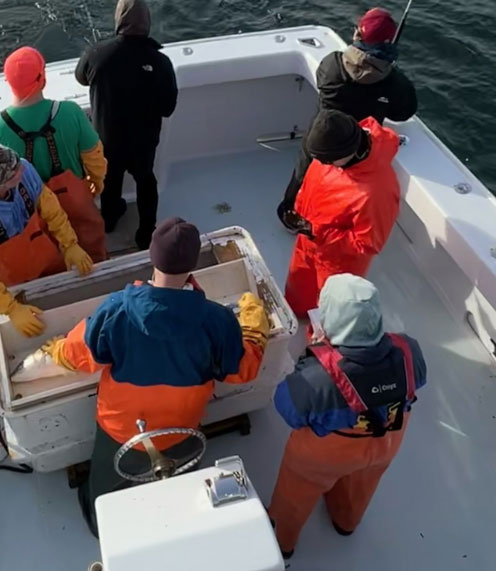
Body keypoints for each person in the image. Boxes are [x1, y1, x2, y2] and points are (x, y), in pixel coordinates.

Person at [39, 217, 270, 536]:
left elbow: (82, 356)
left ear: (151, 256)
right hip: (182, 430)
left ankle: (98, 523)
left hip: (121, 433)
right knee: (180, 470)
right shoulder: (217, 321)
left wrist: (57, 351)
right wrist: (253, 333)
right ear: (192, 266)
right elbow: (241, 371)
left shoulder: (117, 310)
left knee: (104, 485)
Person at [267, 274, 426, 558]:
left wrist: (312, 355)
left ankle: (282, 542)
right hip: (387, 443)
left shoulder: (317, 381)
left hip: (326, 456)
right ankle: (346, 521)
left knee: (297, 491)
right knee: (363, 482)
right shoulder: (409, 349)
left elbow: (288, 410)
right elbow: (417, 383)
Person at [277, 7, 417, 231]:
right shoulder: (396, 84)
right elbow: (402, 113)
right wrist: (388, 76)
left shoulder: (332, 64)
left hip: (322, 135)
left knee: (305, 173)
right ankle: (326, 225)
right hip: (358, 145)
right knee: (344, 190)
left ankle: (290, 213)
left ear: (357, 35)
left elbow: (324, 81)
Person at [0, 141, 94, 337]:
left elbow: (50, 207)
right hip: (12, 281)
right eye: (14, 173)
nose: (22, 169)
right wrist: (11, 308)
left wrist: (69, 244)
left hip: (43, 255)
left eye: (17, 163)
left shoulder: (23, 169)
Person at [0, 47, 108, 262]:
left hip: (29, 209)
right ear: (43, 78)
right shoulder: (70, 112)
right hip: (75, 198)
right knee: (89, 244)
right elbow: (94, 157)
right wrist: (96, 184)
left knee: (42, 251)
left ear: (8, 82)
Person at [75, 0, 178, 249]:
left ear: (119, 21)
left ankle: (109, 220)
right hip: (143, 142)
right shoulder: (161, 62)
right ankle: (145, 234)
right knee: (145, 180)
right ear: (147, 24)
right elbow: (168, 108)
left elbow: (81, 78)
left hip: (108, 139)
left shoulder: (96, 54)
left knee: (110, 181)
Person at [283, 109, 400, 318]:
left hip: (339, 263)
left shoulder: (377, 191)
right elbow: (311, 183)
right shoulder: (328, 154)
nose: (321, 163)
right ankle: (297, 315)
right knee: (296, 298)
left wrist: (316, 232)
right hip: (307, 242)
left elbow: (367, 243)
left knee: (332, 313)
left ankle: (322, 345)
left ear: (347, 153)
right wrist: (297, 208)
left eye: (326, 161)